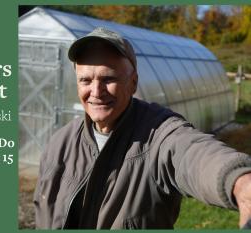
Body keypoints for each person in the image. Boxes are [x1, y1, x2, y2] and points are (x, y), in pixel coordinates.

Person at [33, 27, 251, 229]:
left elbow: (191, 153)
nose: (96, 91)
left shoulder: (158, 134)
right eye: (85, 80)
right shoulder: (60, 143)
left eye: (108, 78)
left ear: (133, 82)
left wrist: (240, 182)